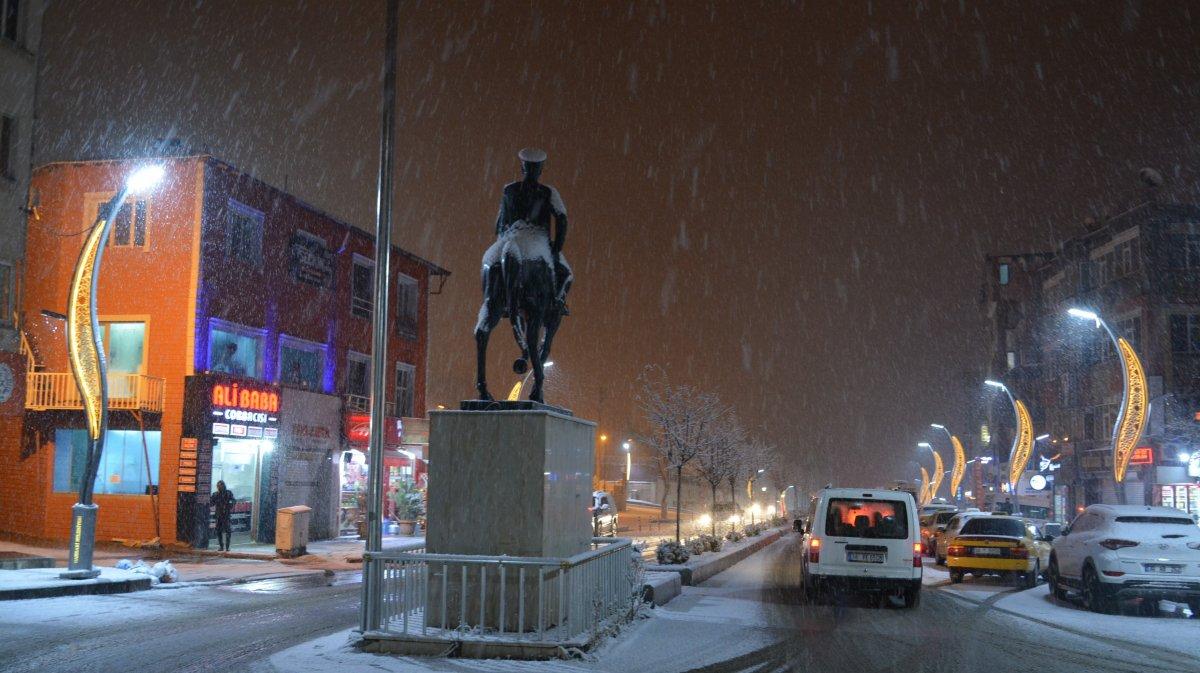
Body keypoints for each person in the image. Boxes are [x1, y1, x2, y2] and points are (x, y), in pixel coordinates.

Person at [211, 480, 235, 551]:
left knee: (228, 531)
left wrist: (230, 505)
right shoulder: (215, 494)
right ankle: (221, 546)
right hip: (219, 515)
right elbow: (211, 502)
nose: (219, 487)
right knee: (219, 531)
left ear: (224, 486)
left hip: (226, 515)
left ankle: (227, 546)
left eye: (220, 486)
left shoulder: (228, 493)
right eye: (218, 486)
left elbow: (233, 500)